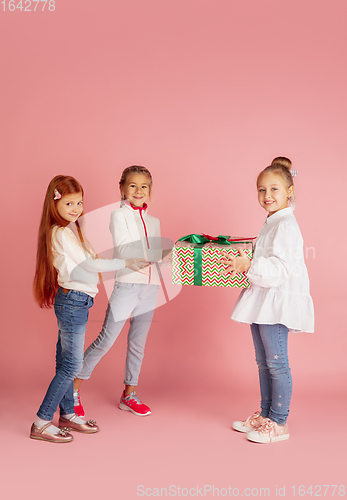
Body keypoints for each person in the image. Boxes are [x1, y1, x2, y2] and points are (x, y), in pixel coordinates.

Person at [31, 175, 145, 443]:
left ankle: (68, 414)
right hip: (73, 302)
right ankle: (41, 421)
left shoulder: (71, 230)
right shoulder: (60, 232)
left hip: (77, 301)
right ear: (54, 204)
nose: (75, 208)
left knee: (65, 362)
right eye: (69, 203)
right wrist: (124, 263)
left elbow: (90, 261)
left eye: (79, 202)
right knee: (71, 366)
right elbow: (89, 266)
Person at [219, 157, 314, 443]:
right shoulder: (272, 221)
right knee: (264, 362)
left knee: (276, 362)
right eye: (261, 190)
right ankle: (265, 415)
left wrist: (248, 265)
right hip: (264, 299)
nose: (267, 196)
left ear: (290, 191)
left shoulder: (286, 225)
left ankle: (279, 423)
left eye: (274, 189)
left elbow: (282, 268)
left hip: (277, 301)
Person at [74, 165, 164, 417]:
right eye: (133, 185)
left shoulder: (154, 221)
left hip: (151, 287)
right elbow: (124, 251)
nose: (138, 190)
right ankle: (72, 390)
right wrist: (158, 253)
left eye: (144, 186)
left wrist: (172, 254)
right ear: (122, 188)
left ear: (150, 191)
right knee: (106, 340)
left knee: (138, 344)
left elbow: (156, 257)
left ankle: (129, 394)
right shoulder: (119, 216)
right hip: (127, 286)